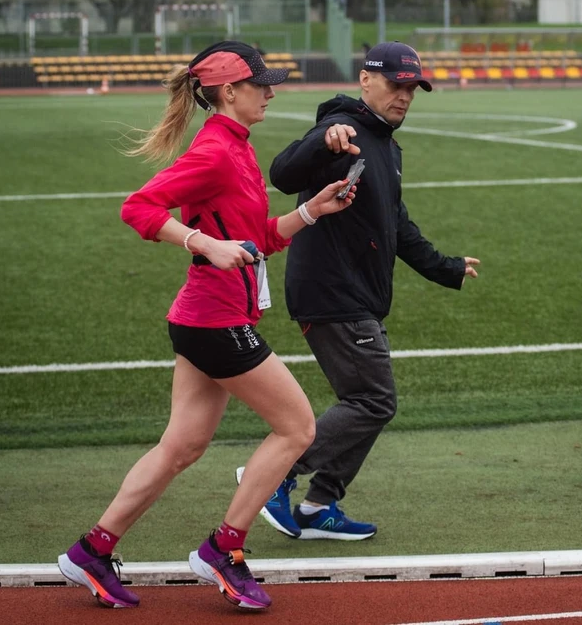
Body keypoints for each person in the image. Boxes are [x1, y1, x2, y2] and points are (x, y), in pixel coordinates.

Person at [56, 41, 357, 611]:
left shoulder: (237, 148)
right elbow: (139, 208)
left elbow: (257, 239)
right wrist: (203, 243)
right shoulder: (216, 151)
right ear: (227, 92)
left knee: (182, 446)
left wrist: (314, 209)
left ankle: (92, 551)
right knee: (297, 429)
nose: (271, 91)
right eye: (260, 83)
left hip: (205, 318)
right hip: (216, 321)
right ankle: (225, 549)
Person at [254, 41, 480, 540]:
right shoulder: (344, 130)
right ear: (366, 80)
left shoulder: (386, 145)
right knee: (373, 400)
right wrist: (322, 141)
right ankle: (272, 475)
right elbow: (282, 171)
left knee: (366, 400)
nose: (404, 96)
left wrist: (444, 268)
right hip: (334, 293)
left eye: (411, 89)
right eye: (395, 85)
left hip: (356, 295)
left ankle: (318, 506)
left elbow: (395, 224)